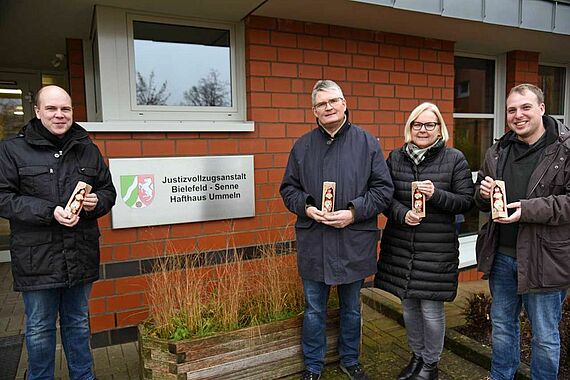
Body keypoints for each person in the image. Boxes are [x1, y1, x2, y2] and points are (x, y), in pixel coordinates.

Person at [0, 85, 116, 380]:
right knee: (39, 328)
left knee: (78, 323)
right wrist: (49, 211)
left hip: (80, 253)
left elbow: (108, 191)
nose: (59, 115)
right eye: (51, 109)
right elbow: (3, 198)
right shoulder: (12, 150)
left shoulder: (87, 148)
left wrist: (95, 202)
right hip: (36, 257)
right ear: (37, 112)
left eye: (65, 109)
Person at [280, 80, 394, 380]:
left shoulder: (367, 143)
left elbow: (383, 190)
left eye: (333, 101)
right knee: (314, 309)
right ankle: (313, 366)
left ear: (344, 104)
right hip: (315, 242)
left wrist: (353, 212)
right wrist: (306, 207)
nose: (328, 108)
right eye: (321, 104)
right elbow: (288, 188)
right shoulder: (302, 146)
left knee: (352, 309)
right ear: (314, 111)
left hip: (352, 241)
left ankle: (350, 360)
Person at [474, 83, 570, 380]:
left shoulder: (564, 150)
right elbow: (478, 198)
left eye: (525, 107)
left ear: (541, 108)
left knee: (544, 336)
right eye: (512, 110)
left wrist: (528, 209)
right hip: (501, 256)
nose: (518, 115)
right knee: (502, 326)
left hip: (546, 259)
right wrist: (483, 192)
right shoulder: (497, 150)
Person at [375, 102, 474, 380]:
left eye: (429, 124)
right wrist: (401, 213)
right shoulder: (396, 158)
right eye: (417, 124)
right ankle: (417, 356)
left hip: (436, 249)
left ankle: (431, 364)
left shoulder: (454, 159)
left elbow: (466, 202)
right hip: (402, 246)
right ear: (410, 128)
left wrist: (437, 195)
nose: (423, 130)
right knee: (408, 308)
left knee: (430, 309)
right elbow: (385, 197)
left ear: (439, 127)